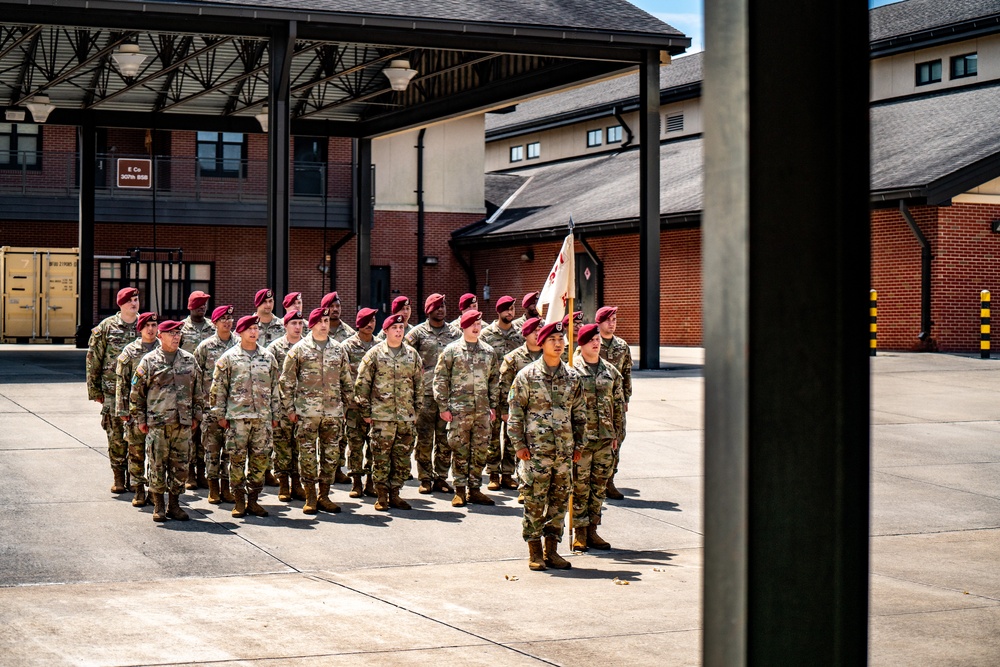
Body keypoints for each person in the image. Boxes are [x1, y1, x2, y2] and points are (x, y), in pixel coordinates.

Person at [507, 320, 586, 571]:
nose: (559, 344)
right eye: (553, 340)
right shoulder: (527, 376)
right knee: (534, 501)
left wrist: (579, 446)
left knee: (559, 501)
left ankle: (553, 550)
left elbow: (580, 415)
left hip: (564, 453)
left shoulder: (573, 377)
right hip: (535, 453)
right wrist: (518, 445)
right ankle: (535, 551)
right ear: (541, 343)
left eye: (561, 340)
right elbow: (515, 414)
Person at [279, 307, 354, 515]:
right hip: (307, 414)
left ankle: (324, 495)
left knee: (331, 455)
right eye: (320, 321)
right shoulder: (299, 350)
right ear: (311, 325)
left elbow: (347, 382)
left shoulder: (338, 349)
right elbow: (286, 383)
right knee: (307, 456)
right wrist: (290, 409)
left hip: (333, 413)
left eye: (327, 320)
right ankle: (310, 496)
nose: (324, 324)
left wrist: (344, 407)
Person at [130, 320, 202, 522]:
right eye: (171, 333)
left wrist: (196, 415)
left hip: (183, 423)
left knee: (180, 466)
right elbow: (137, 393)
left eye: (178, 333)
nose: (176, 337)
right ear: (160, 336)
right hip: (158, 423)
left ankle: (174, 505)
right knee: (157, 465)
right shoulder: (149, 361)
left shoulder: (189, 360)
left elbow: (198, 390)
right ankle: (158, 505)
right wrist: (141, 419)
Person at [211, 314, 280, 518]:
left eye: (256, 328)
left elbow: (275, 388)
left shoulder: (268, 357)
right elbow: (218, 390)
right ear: (240, 332)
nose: (253, 332)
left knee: (260, 460)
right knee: (237, 460)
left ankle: (253, 500)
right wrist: (220, 415)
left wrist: (275, 414)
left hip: (262, 419)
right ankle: (239, 499)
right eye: (249, 329)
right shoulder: (228, 358)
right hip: (238, 419)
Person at [354, 313, 424, 511]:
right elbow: (362, 384)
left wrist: (416, 410)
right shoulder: (375, 354)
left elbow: (418, 384)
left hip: (405, 416)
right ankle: (382, 495)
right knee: (381, 458)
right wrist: (366, 411)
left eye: (401, 328)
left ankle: (395, 493)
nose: (399, 331)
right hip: (381, 416)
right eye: (395, 328)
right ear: (386, 331)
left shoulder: (412, 355)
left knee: (402, 457)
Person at [433, 309, 499, 506]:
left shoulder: (488, 352)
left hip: (482, 411)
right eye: (473, 324)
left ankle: (475, 489)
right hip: (459, 411)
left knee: (480, 451)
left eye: (479, 324)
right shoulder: (451, 351)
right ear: (464, 326)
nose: (477, 328)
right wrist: (443, 406)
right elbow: (440, 379)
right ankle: (460, 490)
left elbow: (494, 381)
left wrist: (493, 406)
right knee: (460, 450)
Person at [570, 323, 624, 552]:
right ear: (581, 344)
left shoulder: (611, 371)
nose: (596, 342)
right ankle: (579, 533)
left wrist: (616, 435)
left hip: (604, 440)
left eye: (597, 339)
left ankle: (593, 530)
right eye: (591, 339)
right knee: (580, 487)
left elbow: (618, 406)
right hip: (581, 440)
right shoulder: (571, 371)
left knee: (599, 487)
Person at [405, 293, 461, 495]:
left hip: (448, 394)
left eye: (443, 305)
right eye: (436, 306)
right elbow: (405, 357)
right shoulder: (418, 333)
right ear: (429, 310)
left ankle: (441, 478)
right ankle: (425, 478)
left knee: (446, 439)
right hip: (425, 394)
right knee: (425, 439)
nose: (441, 309)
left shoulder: (455, 333)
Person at [86, 286, 140, 494]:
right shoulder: (106, 328)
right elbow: (93, 361)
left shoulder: (145, 326)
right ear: (121, 304)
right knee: (116, 437)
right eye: (130, 301)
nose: (134, 304)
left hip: (139, 394)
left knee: (137, 438)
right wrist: (95, 391)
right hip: (112, 392)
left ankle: (136, 479)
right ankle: (118, 476)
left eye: (136, 300)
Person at [193, 305, 237, 505]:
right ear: (215, 323)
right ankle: (213, 488)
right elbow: (195, 376)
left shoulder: (240, 343)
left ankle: (226, 487)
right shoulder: (205, 347)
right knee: (211, 450)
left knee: (230, 451)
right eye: (223, 319)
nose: (227, 322)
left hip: (235, 407)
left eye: (230, 318)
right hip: (211, 407)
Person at [479, 295, 524, 491]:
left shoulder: (519, 335)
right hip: (493, 391)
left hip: (513, 393)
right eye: (506, 309)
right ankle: (493, 473)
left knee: (512, 435)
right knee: (492, 435)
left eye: (512, 309)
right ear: (499, 311)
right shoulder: (486, 334)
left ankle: (508, 473)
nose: (510, 313)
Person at [497, 317, 544, 503]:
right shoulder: (513, 358)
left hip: (541, 414)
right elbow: (504, 386)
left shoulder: (548, 355)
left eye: (541, 330)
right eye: (535, 331)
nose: (539, 334)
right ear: (526, 335)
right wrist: (504, 410)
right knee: (518, 449)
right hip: (519, 412)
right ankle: (522, 486)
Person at [115, 311, 159, 507]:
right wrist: (123, 410)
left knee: (157, 456)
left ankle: (154, 491)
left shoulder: (163, 349)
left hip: (159, 413)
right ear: (140, 329)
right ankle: (138, 489)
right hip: (135, 412)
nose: (151, 329)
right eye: (147, 325)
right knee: (136, 453)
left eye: (154, 325)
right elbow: (122, 384)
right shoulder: (129, 352)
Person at [266, 310, 307, 502]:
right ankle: (283, 483)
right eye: (294, 323)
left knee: (299, 446)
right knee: (282, 446)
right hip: (282, 407)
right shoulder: (275, 349)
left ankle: (297, 484)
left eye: (300, 323)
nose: (298, 327)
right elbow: (271, 380)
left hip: (303, 406)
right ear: (285, 326)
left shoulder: (308, 346)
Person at [594, 306, 632, 500]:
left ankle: (609, 481)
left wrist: (626, 398)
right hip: (593, 403)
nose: (612, 323)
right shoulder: (592, 342)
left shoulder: (622, 346)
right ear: (599, 323)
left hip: (614, 403)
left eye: (615, 319)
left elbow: (626, 374)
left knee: (617, 439)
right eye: (608, 320)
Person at [341, 307, 380, 499]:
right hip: (355, 405)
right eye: (366, 320)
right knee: (355, 445)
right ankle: (356, 481)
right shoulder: (347, 346)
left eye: (373, 320)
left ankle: (371, 482)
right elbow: (342, 377)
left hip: (377, 405)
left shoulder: (381, 345)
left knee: (375, 445)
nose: (370, 324)